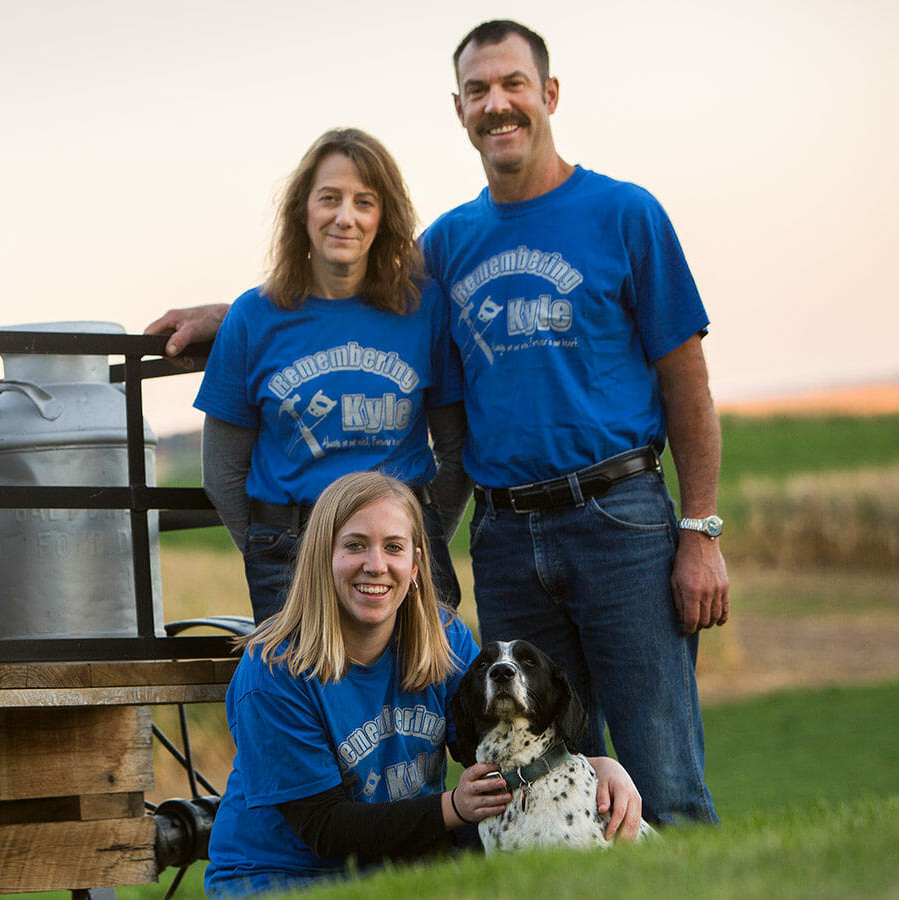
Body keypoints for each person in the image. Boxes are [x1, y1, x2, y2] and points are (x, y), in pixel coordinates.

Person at [147, 21, 729, 825]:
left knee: (660, 772)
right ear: (459, 109)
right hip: (507, 537)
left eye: (513, 84)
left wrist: (700, 529)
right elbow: (341, 278)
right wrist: (238, 314)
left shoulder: (625, 214)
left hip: (617, 517)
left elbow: (687, 381)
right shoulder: (449, 243)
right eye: (479, 91)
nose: (498, 104)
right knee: (538, 772)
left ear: (549, 94)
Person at [204, 471, 645, 896]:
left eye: (393, 547)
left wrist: (590, 764)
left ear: (415, 564)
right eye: (355, 545)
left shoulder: (444, 640)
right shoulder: (276, 671)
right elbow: (325, 828)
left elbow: (496, 734)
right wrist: (453, 808)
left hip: (404, 865)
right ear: (323, 557)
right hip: (285, 876)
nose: (376, 566)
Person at [188, 129, 469, 623]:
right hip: (290, 554)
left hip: (403, 557)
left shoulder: (424, 309)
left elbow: (456, 451)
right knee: (302, 699)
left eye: (365, 202)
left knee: (418, 698)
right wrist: (268, 548)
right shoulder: (253, 317)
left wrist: (419, 535)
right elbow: (222, 471)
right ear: (302, 209)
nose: (346, 217)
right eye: (329, 199)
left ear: (384, 218)